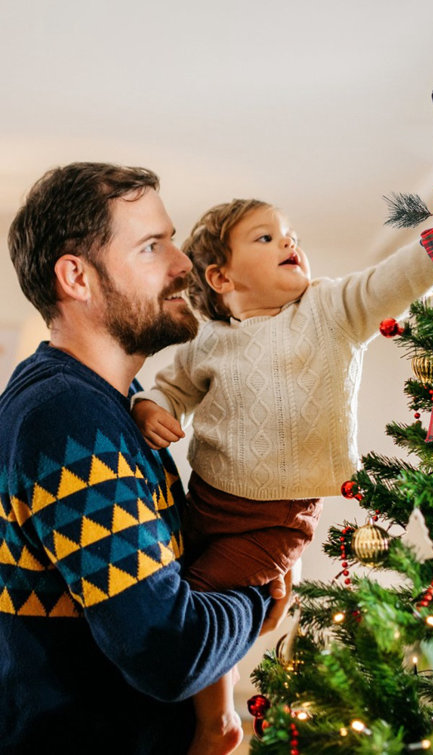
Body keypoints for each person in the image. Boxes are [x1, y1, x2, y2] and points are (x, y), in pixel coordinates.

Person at [0, 163, 290, 755]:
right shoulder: (66, 416)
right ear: (76, 277)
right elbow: (169, 651)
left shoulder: (119, 405)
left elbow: (170, 588)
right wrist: (261, 591)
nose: (183, 264)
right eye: (152, 246)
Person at [131, 197, 433, 753]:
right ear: (221, 276)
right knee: (177, 584)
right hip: (204, 502)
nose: (290, 242)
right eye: (266, 238)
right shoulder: (208, 339)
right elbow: (170, 388)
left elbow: (390, 281)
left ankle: (219, 722)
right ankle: (257, 606)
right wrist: (151, 409)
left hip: (275, 518)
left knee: (202, 602)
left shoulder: (329, 310)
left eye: (290, 233)